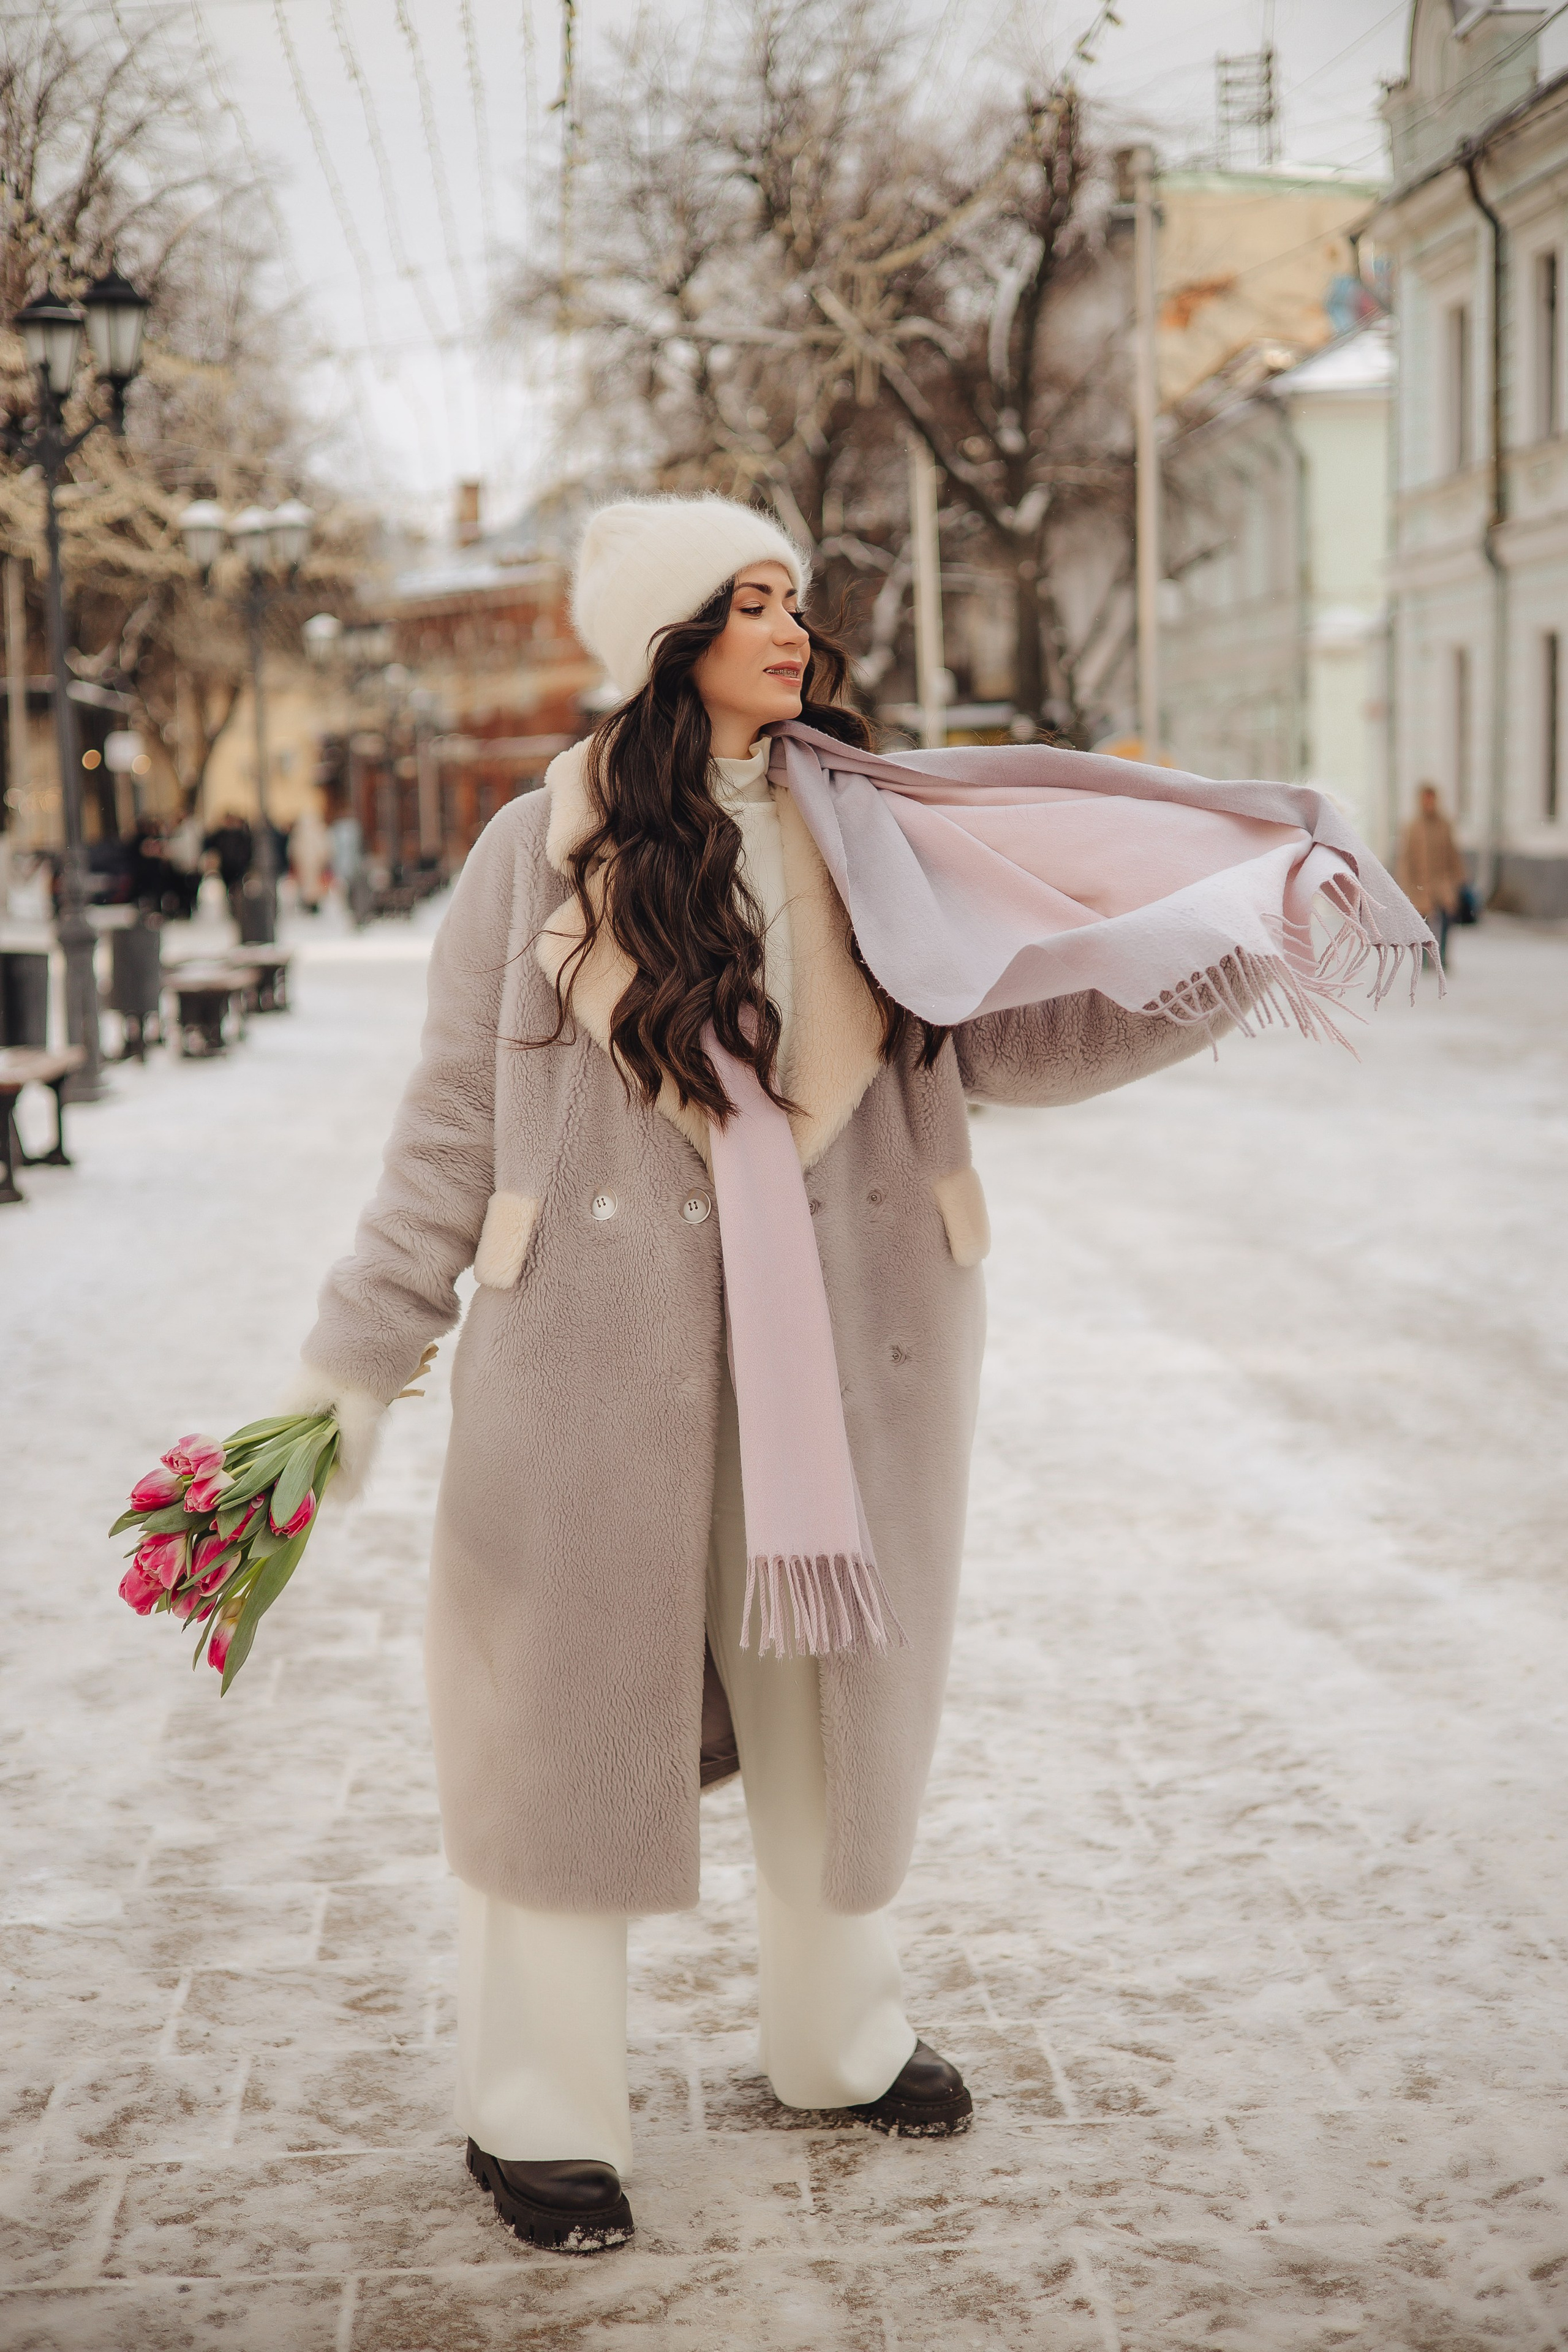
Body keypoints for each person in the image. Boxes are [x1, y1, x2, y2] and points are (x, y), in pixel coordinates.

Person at [281, 496, 1430, 2256]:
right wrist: (351, 1371)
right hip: (593, 1361)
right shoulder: (538, 849)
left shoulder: (872, 831)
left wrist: (1246, 927)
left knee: (833, 1708)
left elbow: (1027, 1036)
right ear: (669, 642)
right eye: (748, 603)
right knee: (563, 1726)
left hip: (843, 1350)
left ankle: (837, 2037)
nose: (789, 629)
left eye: (793, 598)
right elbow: (449, 1126)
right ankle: (541, 2105)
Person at [1398, 783, 1467, 967]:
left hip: (1442, 882)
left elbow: (1453, 853)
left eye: (1432, 798)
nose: (1429, 803)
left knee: (1446, 920)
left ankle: (1442, 957)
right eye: (1425, 798)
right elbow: (1405, 858)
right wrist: (1406, 885)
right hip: (1420, 885)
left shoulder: (1444, 824)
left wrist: (1458, 879)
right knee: (1422, 924)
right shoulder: (1413, 827)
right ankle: (1425, 959)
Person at [203, 810, 253, 927]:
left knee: (238, 889)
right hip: (225, 867)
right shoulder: (221, 834)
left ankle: (238, 909)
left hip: (238, 867)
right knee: (228, 889)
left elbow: (248, 850)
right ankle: (231, 909)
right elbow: (208, 843)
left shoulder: (241, 834)